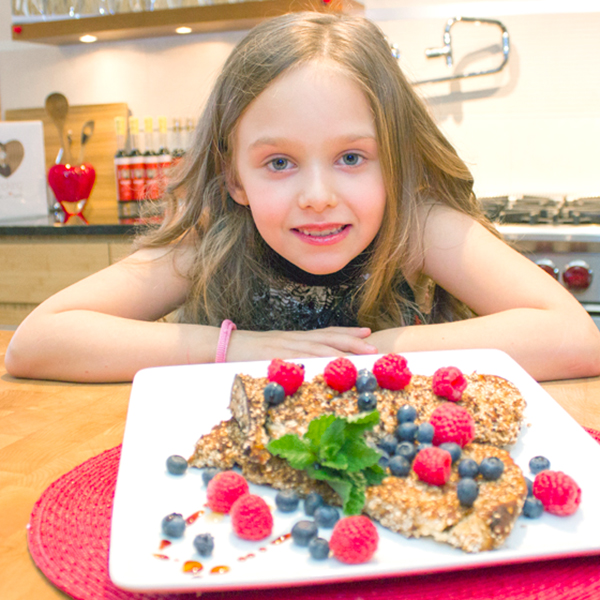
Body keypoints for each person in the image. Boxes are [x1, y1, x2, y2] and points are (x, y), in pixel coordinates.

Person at [6, 12, 600, 383]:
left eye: (351, 158)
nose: (318, 197)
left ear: (395, 161)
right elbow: (38, 342)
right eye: (279, 163)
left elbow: (574, 339)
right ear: (234, 177)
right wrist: (241, 349)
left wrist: (368, 353)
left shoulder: (416, 228)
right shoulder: (215, 239)